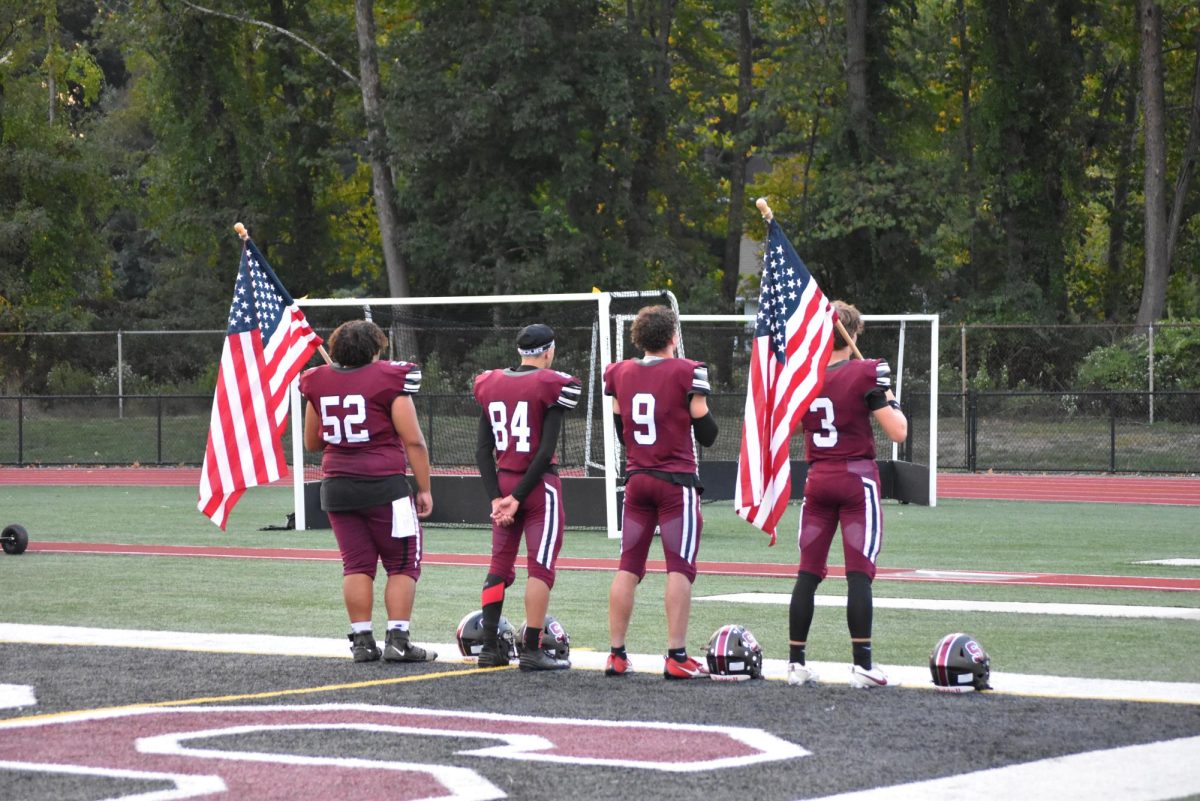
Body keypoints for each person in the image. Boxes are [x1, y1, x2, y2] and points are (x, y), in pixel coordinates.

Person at [299, 319, 437, 664]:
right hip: (384, 486)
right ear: (374, 350)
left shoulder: (316, 381)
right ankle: (399, 641)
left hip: (336, 487)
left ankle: (362, 642)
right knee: (402, 563)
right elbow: (414, 441)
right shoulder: (389, 379)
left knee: (356, 565)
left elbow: (312, 442)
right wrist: (425, 488)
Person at [788, 301, 907, 688]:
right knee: (858, 575)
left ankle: (796, 663)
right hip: (856, 478)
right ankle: (862, 665)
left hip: (818, 478)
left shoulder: (804, 379)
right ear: (851, 334)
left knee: (807, 574)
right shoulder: (867, 372)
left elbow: (790, 428)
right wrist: (890, 399)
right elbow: (898, 432)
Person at [603, 305, 718, 680]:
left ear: (639, 338)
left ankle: (616, 653)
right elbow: (709, 434)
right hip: (675, 482)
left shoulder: (618, 372)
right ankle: (676, 654)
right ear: (673, 337)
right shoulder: (687, 372)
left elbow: (622, 426)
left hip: (637, 480)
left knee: (628, 566)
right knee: (679, 567)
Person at [473, 323, 582, 671]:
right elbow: (544, 450)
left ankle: (489, 648)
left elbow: (481, 451)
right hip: (538, 488)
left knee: (498, 568)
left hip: (503, 484)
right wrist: (518, 497)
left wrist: (497, 498)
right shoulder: (551, 383)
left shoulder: (489, 383)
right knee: (540, 568)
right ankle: (532, 650)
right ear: (548, 351)